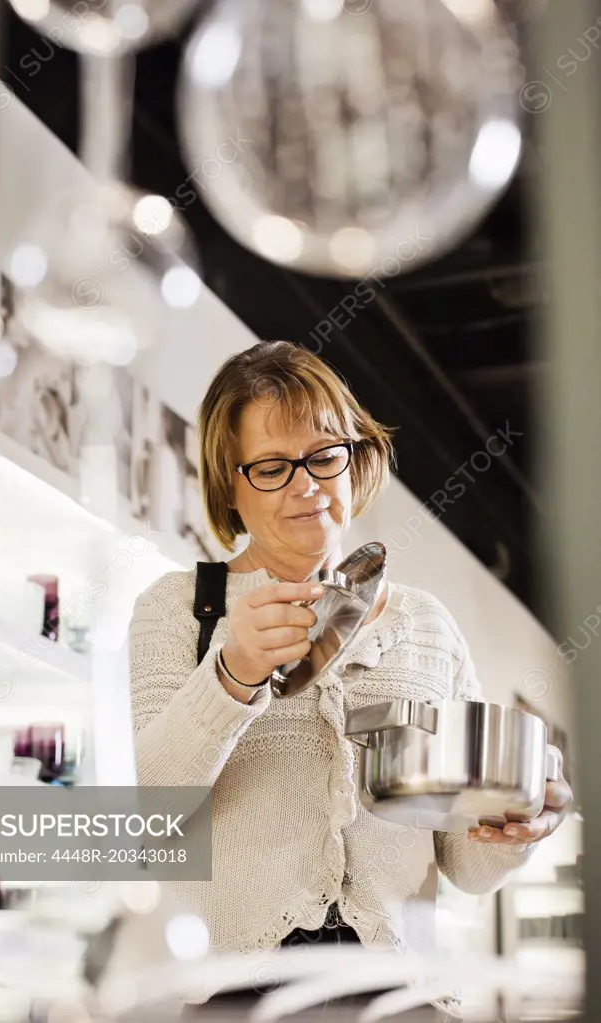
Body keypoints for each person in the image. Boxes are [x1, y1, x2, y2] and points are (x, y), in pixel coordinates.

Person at [129, 341, 573, 1015]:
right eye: (274, 467)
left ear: (356, 457)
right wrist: (232, 675)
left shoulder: (428, 624)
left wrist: (515, 825)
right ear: (230, 483)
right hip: (232, 994)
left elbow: (462, 863)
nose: (307, 485)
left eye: (325, 455)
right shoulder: (182, 607)